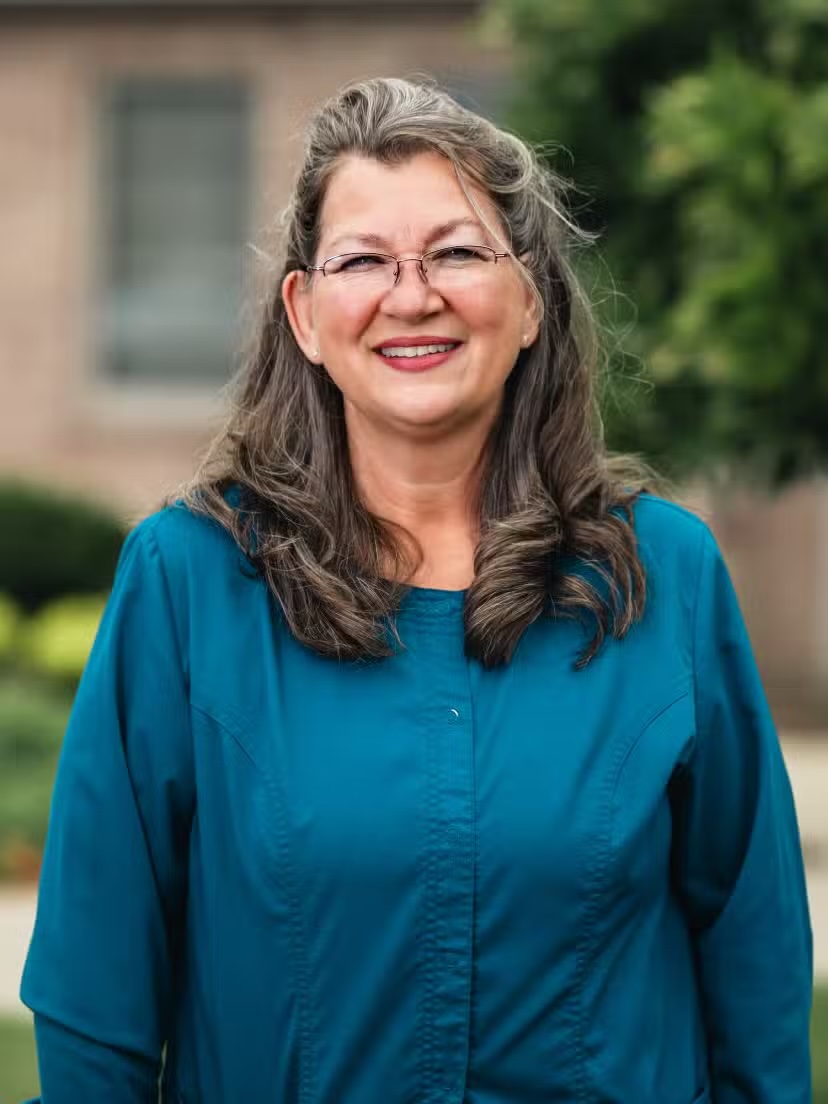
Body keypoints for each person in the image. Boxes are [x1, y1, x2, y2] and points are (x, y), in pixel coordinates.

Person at [20, 77, 812, 1103]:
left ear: (529, 300)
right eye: (363, 260)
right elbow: (97, 985)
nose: (412, 294)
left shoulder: (663, 578)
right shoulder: (189, 583)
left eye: (457, 251)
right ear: (305, 314)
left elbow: (754, 965)